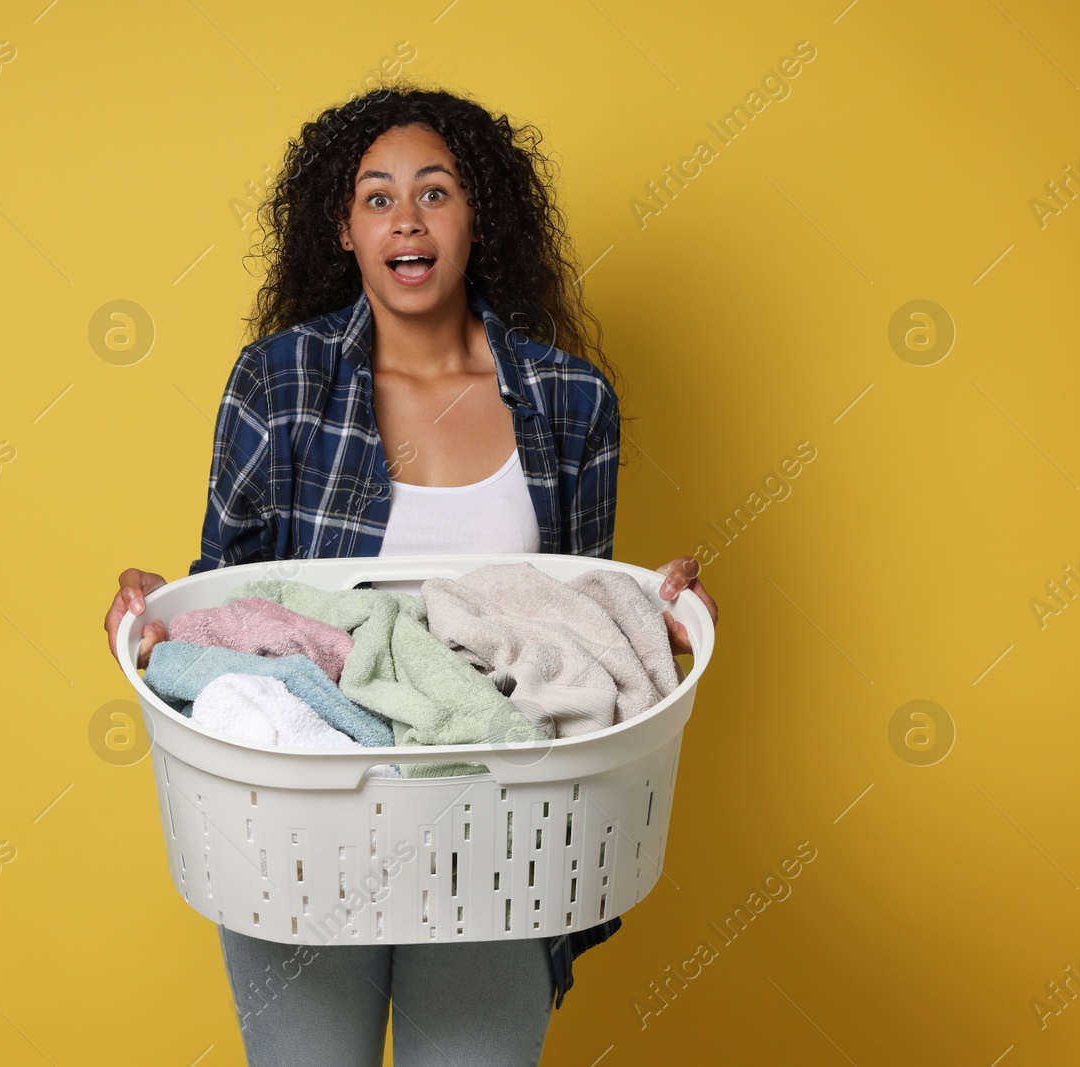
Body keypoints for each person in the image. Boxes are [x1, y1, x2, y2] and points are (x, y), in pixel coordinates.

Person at [103, 86, 719, 1067]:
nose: (407, 219)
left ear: (478, 216)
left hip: (502, 822)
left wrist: (658, 612)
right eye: (377, 196)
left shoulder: (568, 399)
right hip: (305, 810)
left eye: (434, 192)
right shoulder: (279, 381)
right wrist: (150, 612)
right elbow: (229, 600)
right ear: (343, 230)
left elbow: (573, 619)